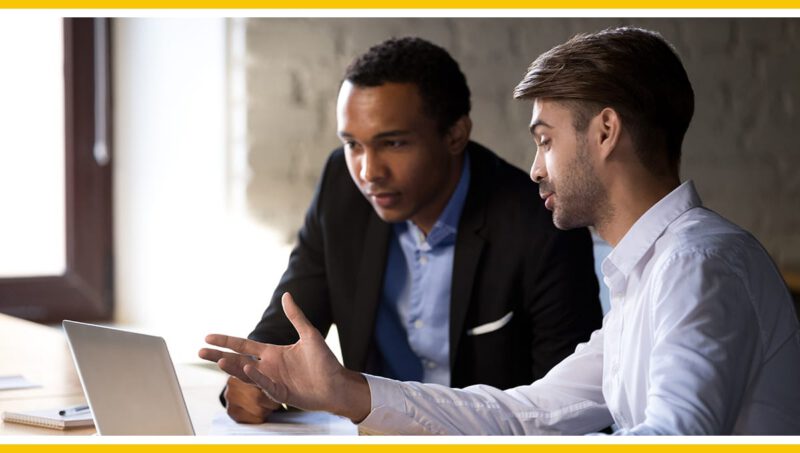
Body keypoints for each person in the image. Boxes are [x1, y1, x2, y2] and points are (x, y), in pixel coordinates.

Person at [199, 27, 800, 434]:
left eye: (545, 140)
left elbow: (672, 440)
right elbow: (527, 414)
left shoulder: (697, 264)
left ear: (606, 131)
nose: (536, 167)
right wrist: (347, 392)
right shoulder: (651, 274)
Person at [220, 36, 603, 424]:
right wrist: (254, 377)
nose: (369, 172)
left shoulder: (540, 225)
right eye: (353, 144)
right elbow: (290, 319)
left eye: (394, 143)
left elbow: (571, 411)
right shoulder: (342, 187)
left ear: (455, 135)